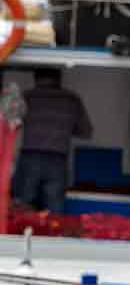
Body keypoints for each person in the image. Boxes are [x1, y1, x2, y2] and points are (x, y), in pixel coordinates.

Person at [12, 68, 92, 214]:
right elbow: (86, 132)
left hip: (30, 158)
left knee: (23, 209)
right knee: (54, 213)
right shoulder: (72, 99)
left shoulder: (27, 96)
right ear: (59, 78)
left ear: (35, 78)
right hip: (58, 160)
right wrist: (63, 127)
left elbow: (11, 124)